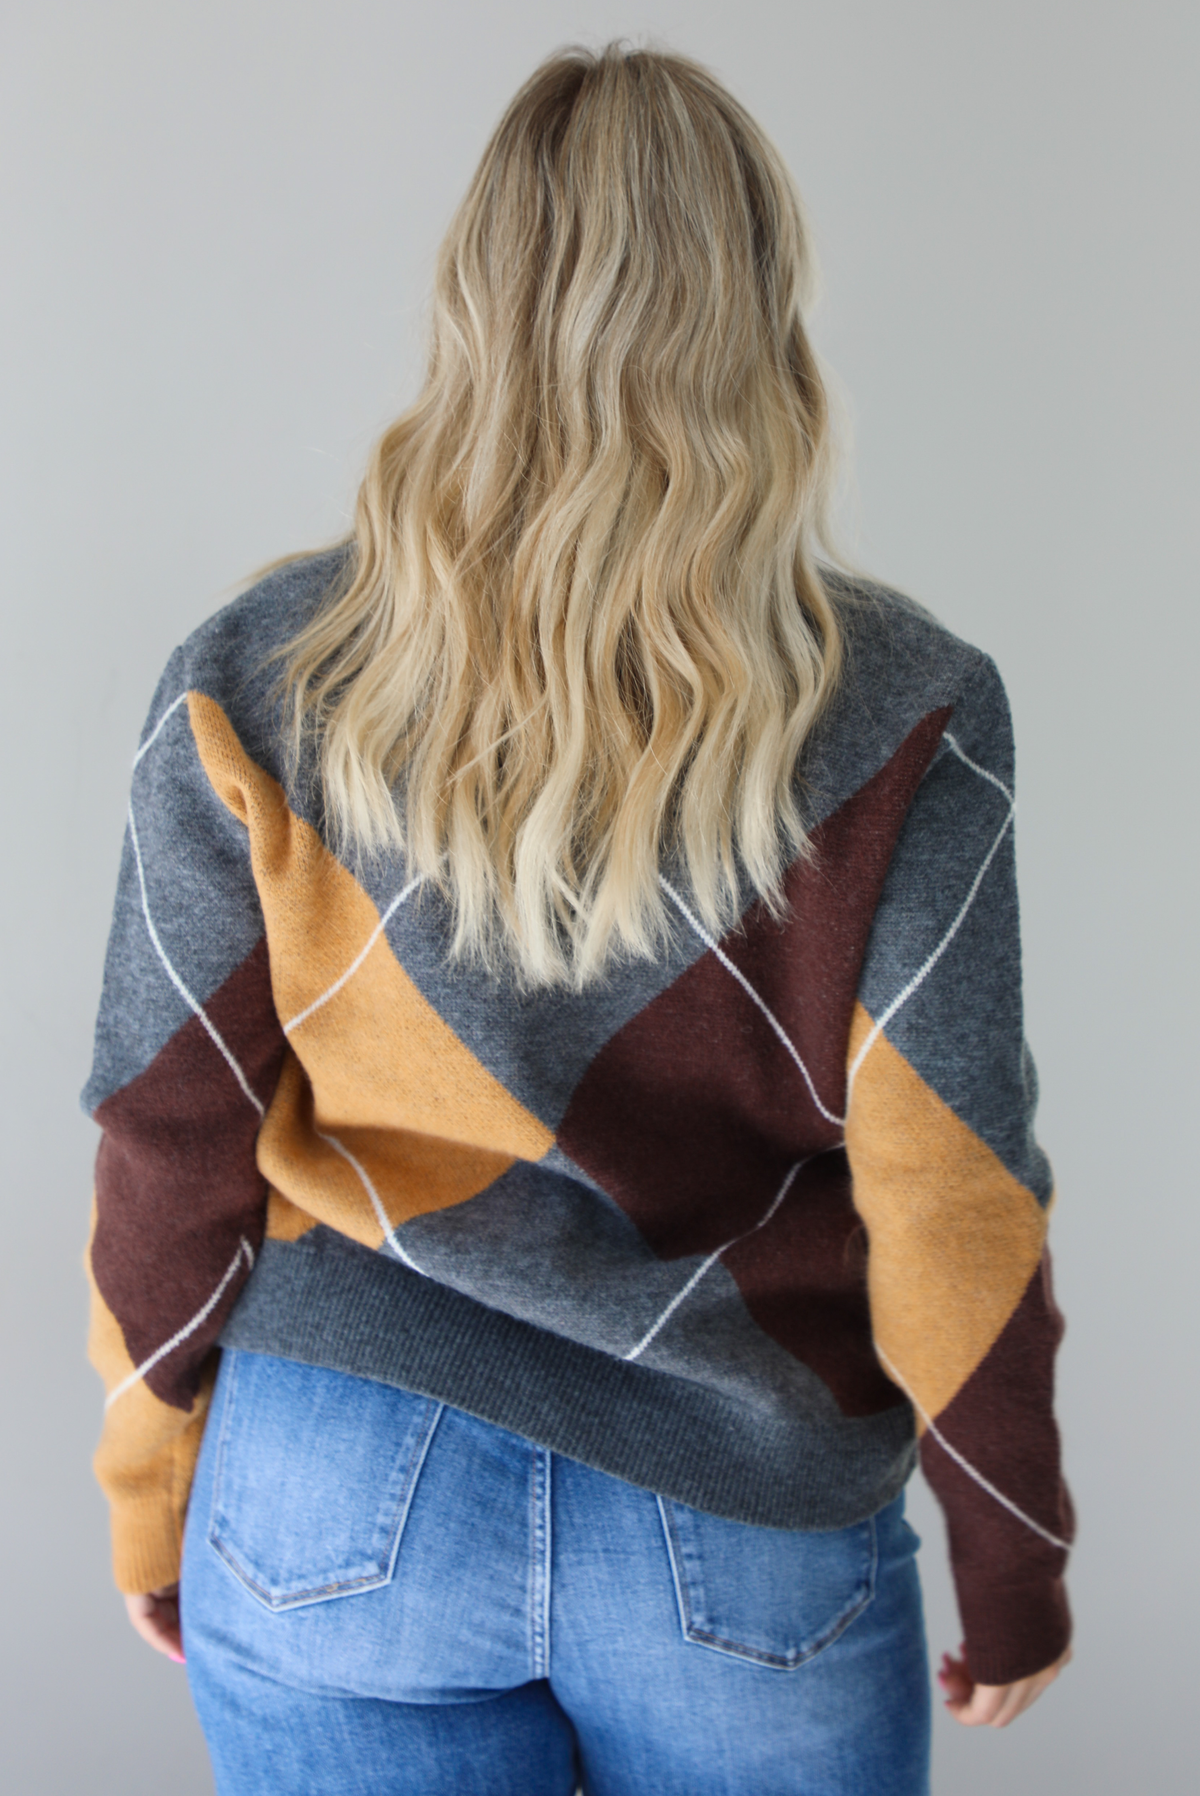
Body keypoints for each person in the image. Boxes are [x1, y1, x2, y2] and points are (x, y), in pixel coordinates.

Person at [84, 42, 1073, 1796]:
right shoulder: (911, 708)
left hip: (332, 1501)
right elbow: (950, 1186)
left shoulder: (261, 675)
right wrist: (1012, 1562)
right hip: (741, 1527)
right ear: (764, 312)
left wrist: (154, 1490)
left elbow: (170, 1133)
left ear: (474, 304)